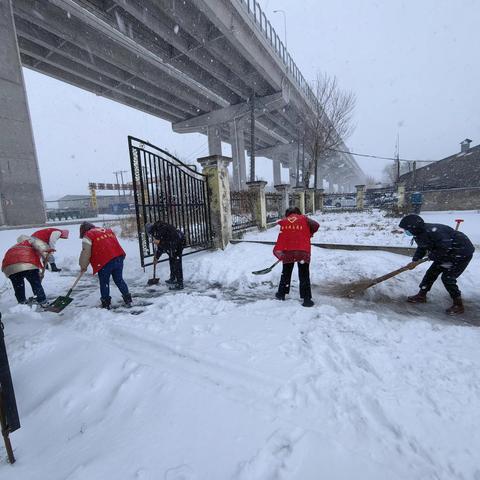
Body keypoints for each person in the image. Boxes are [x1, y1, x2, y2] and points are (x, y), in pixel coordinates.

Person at [399, 214, 475, 315]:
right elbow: (422, 247)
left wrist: (431, 257)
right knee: (431, 273)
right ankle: (421, 295)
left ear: (414, 227)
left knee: (448, 278)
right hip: (445, 254)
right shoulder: (419, 234)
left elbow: (444, 247)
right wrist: (415, 260)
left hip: (461, 253)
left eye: (406, 229)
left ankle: (458, 304)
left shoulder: (435, 232)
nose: (406, 231)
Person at [273, 207, 319, 307]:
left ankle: (281, 294)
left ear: (287, 214)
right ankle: (307, 299)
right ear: (298, 213)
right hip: (302, 251)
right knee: (304, 275)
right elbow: (316, 225)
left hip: (288, 251)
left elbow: (283, 237)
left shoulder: (284, 222)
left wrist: (282, 251)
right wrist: (309, 231)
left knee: (286, 273)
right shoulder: (305, 219)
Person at [78, 222, 132, 309]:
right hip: (118, 256)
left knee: (104, 283)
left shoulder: (88, 235)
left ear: (83, 230)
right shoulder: (106, 230)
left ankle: (106, 304)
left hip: (105, 260)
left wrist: (83, 266)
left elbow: (85, 252)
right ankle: (128, 299)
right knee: (119, 280)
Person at [1, 235, 49, 306]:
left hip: (9, 268)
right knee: (35, 283)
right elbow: (40, 247)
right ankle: (42, 301)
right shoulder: (29, 242)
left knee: (18, 286)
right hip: (27, 264)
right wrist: (46, 255)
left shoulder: (13, 247)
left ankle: (22, 303)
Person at [146, 221, 186, 290]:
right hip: (174, 241)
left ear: (152, 230)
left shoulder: (160, 229)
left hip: (179, 241)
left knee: (176, 261)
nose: (152, 236)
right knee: (172, 258)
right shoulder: (158, 230)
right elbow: (161, 247)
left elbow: (165, 243)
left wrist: (159, 241)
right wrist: (157, 257)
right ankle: (173, 278)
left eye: (151, 234)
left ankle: (180, 284)